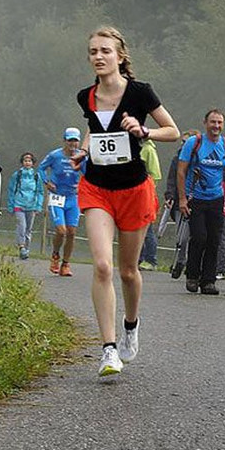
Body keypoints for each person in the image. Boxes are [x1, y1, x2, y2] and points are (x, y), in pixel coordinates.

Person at [71, 26, 179, 377]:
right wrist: (83, 151)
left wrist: (144, 131)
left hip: (133, 189)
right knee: (103, 266)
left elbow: (173, 131)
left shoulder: (140, 92)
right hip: (96, 187)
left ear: (120, 56)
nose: (98, 57)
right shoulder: (86, 96)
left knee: (128, 271)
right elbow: (94, 128)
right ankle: (108, 348)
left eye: (105, 51)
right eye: (93, 51)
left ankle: (131, 324)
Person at [176, 109, 225, 295]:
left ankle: (208, 281)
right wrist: (182, 199)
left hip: (216, 199)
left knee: (214, 240)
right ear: (205, 123)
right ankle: (192, 276)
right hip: (195, 198)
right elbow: (181, 171)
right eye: (213, 122)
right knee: (199, 237)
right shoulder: (194, 143)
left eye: (219, 122)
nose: (216, 126)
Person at [38, 129, 85, 276]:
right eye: (70, 140)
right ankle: (55, 255)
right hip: (57, 196)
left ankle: (65, 264)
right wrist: (47, 182)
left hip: (73, 198)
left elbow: (89, 174)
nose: (73, 143)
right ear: (64, 140)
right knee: (61, 230)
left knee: (71, 232)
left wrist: (81, 186)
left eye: (75, 140)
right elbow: (41, 168)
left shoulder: (81, 157)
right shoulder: (55, 155)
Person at [165, 130, 196, 278]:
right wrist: (170, 195)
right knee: (182, 236)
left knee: (195, 236)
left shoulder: (199, 158)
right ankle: (180, 261)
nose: (184, 145)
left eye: (187, 142)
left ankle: (192, 264)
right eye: (183, 142)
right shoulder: (177, 158)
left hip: (196, 201)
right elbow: (171, 178)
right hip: (179, 201)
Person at [7, 152, 44, 260]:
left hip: (31, 206)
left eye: (29, 161)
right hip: (19, 204)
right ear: (22, 162)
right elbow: (11, 190)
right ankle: (21, 246)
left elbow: (40, 192)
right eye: (25, 161)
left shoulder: (36, 176)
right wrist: (11, 205)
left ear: (33, 163)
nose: (27, 163)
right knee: (21, 226)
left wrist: (38, 206)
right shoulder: (17, 175)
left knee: (28, 229)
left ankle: (26, 250)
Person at [138, 139, 163, 270]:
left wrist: (147, 191)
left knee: (147, 229)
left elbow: (155, 175)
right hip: (134, 195)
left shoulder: (148, 149)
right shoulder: (134, 147)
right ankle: (139, 258)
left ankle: (151, 260)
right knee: (136, 228)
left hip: (146, 195)